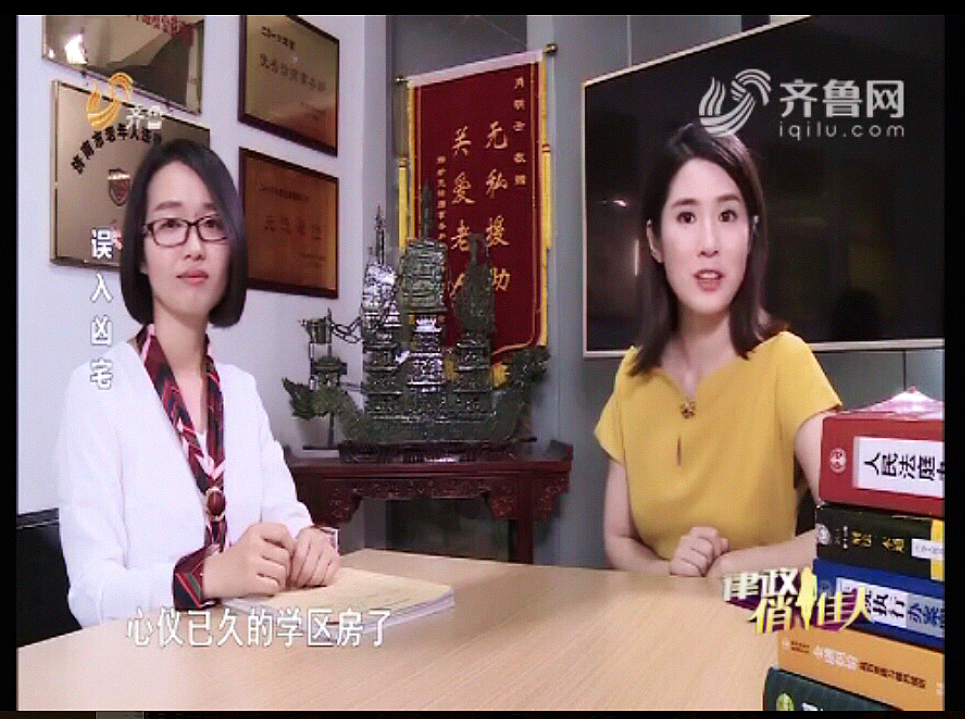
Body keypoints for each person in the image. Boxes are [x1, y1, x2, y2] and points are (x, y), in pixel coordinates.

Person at [57, 139, 340, 628]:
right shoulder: (96, 391)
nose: (194, 245)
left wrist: (309, 543)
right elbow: (91, 593)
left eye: (212, 224)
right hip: (147, 667)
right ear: (140, 253)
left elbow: (288, 520)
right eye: (170, 224)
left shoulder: (241, 392)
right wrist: (207, 577)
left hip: (251, 657)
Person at [596, 122, 841, 578]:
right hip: (658, 617)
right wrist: (672, 573)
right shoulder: (632, 375)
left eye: (727, 216)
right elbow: (618, 540)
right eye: (686, 217)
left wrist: (731, 567)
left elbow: (848, 530)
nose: (709, 244)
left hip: (757, 619)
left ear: (751, 234)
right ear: (654, 241)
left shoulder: (785, 362)